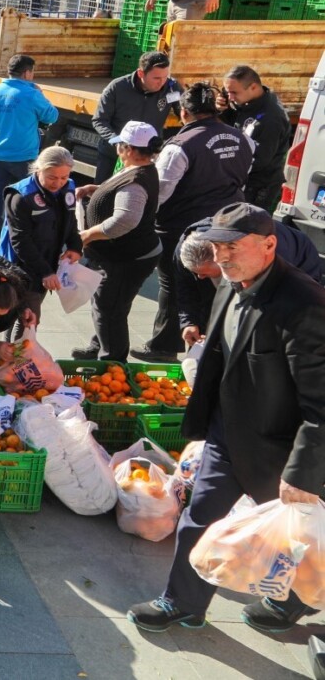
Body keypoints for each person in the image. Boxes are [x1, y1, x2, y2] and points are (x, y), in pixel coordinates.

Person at [127, 204, 325, 634]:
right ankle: (181, 603)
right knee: (199, 517)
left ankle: (290, 604)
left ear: (269, 245)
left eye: (233, 247)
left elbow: (320, 402)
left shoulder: (304, 303)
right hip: (226, 432)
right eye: (217, 247)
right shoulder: (229, 282)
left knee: (298, 537)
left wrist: (303, 472)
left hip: (280, 446)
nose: (222, 257)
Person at [138, 82, 252, 362]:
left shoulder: (179, 146)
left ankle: (164, 346)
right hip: (228, 225)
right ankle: (214, 345)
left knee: (174, 284)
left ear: (185, 113)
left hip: (184, 228)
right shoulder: (242, 138)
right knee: (220, 284)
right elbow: (244, 173)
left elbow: (161, 193)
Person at [72, 122, 164, 361]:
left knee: (109, 308)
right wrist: (97, 190)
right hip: (125, 254)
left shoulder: (136, 179)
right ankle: (99, 344)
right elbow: (122, 193)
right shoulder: (139, 167)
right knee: (110, 303)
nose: (118, 150)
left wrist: (88, 235)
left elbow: (124, 220)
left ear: (130, 149)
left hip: (127, 258)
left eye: (120, 146)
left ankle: (113, 363)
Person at [174, 209, 322, 348]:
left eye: (207, 273)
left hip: (299, 261)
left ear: (222, 259)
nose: (200, 277)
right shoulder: (185, 250)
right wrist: (189, 322)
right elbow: (186, 288)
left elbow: (260, 306)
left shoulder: (264, 257)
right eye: (196, 273)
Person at [0, 146, 82, 333]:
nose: (58, 183)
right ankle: (17, 358)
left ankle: (13, 356)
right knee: (29, 319)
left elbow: (70, 221)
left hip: (47, 261)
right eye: (52, 177)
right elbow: (20, 240)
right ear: (38, 169)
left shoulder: (68, 188)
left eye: (64, 177)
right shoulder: (21, 196)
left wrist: (76, 246)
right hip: (21, 266)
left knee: (22, 316)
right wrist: (45, 272)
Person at [0, 53, 59, 238]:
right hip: (23, 154)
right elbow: (52, 116)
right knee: (28, 191)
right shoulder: (31, 94)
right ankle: (23, 226)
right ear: (27, 73)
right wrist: (41, 94)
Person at [91, 51, 181, 183]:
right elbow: (99, 120)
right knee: (101, 191)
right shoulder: (117, 87)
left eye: (165, 77)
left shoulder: (171, 88)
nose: (161, 82)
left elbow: (186, 112)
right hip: (114, 152)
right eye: (156, 78)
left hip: (147, 155)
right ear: (140, 73)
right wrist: (117, 141)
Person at [221, 64, 292, 210]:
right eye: (228, 92)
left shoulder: (271, 119)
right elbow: (235, 123)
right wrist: (222, 110)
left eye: (234, 92)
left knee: (250, 229)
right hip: (244, 181)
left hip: (260, 188)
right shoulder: (251, 100)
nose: (230, 97)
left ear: (253, 87)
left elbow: (260, 160)